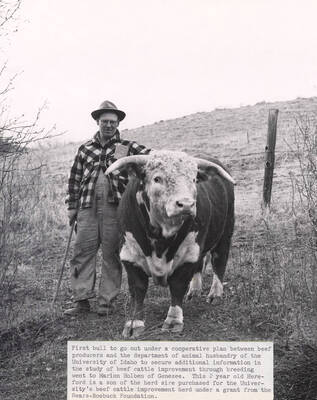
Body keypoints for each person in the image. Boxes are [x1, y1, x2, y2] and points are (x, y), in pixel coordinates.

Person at [64, 100, 150, 316]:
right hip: (87, 208)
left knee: (112, 254)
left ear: (118, 122)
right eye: (105, 121)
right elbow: (75, 179)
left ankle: (106, 303)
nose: (109, 125)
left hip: (116, 209)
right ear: (97, 122)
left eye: (112, 121)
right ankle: (81, 300)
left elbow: (153, 157)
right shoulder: (85, 149)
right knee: (82, 253)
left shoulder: (127, 147)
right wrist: (72, 207)